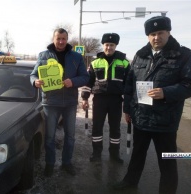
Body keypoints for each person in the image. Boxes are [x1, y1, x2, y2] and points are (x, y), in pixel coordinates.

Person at [113, 16, 191, 194]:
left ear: (168, 32)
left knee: (167, 160)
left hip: (165, 121)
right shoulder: (140, 55)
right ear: (147, 36)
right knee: (137, 154)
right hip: (141, 117)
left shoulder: (183, 54)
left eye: (160, 33)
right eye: (152, 34)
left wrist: (166, 92)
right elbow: (129, 84)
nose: (156, 37)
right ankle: (130, 181)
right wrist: (127, 109)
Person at [30, 28, 89, 177]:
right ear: (53, 38)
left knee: (70, 136)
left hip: (69, 103)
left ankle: (66, 163)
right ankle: (50, 164)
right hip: (50, 102)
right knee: (49, 137)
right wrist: (35, 82)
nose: (61, 41)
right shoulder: (43, 55)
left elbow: (85, 77)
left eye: (64, 38)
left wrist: (73, 81)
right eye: (58, 38)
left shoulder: (76, 57)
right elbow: (33, 75)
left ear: (67, 39)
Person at [81, 33, 130, 163]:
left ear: (116, 46)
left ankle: (114, 155)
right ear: (103, 45)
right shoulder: (95, 62)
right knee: (97, 127)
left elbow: (129, 84)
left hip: (116, 100)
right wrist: (85, 98)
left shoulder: (124, 62)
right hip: (99, 100)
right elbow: (88, 82)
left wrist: (129, 105)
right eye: (107, 45)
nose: (109, 47)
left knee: (115, 128)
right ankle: (96, 154)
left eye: (112, 45)